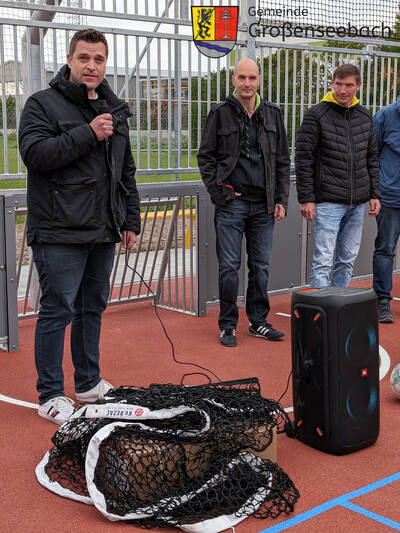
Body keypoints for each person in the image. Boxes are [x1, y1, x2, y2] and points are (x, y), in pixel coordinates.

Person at [19, 29, 141, 424]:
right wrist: (87, 133)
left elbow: (125, 170)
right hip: (59, 231)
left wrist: (130, 219)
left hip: (103, 230)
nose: (92, 66)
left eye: (99, 59)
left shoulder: (112, 107)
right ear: (70, 60)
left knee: (93, 308)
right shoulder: (42, 104)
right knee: (58, 309)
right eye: (85, 58)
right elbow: (35, 154)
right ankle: (51, 393)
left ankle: (88, 382)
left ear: (106, 64)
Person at [197, 58, 290, 347]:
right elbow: (205, 158)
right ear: (234, 80)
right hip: (231, 205)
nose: (247, 83)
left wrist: (281, 198)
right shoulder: (220, 114)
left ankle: (258, 321)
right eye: (242, 78)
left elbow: (283, 161)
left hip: (263, 205)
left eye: (252, 78)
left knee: (260, 267)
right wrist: (220, 193)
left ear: (259, 80)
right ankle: (228, 325)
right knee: (229, 267)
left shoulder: (273, 114)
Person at [295, 63, 380, 289]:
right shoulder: (316, 114)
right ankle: (322, 315)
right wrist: (307, 198)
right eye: (338, 84)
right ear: (332, 84)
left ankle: (338, 309)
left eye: (348, 85)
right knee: (322, 261)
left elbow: (371, 157)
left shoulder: (364, 115)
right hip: (328, 201)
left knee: (347, 260)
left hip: (359, 202)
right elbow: (304, 158)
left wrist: (374, 194)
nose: (342, 90)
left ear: (358, 86)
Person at [372, 96, 400, 323]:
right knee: (385, 249)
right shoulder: (385, 116)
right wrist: (376, 191)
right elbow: (372, 154)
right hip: (390, 198)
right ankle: (382, 301)